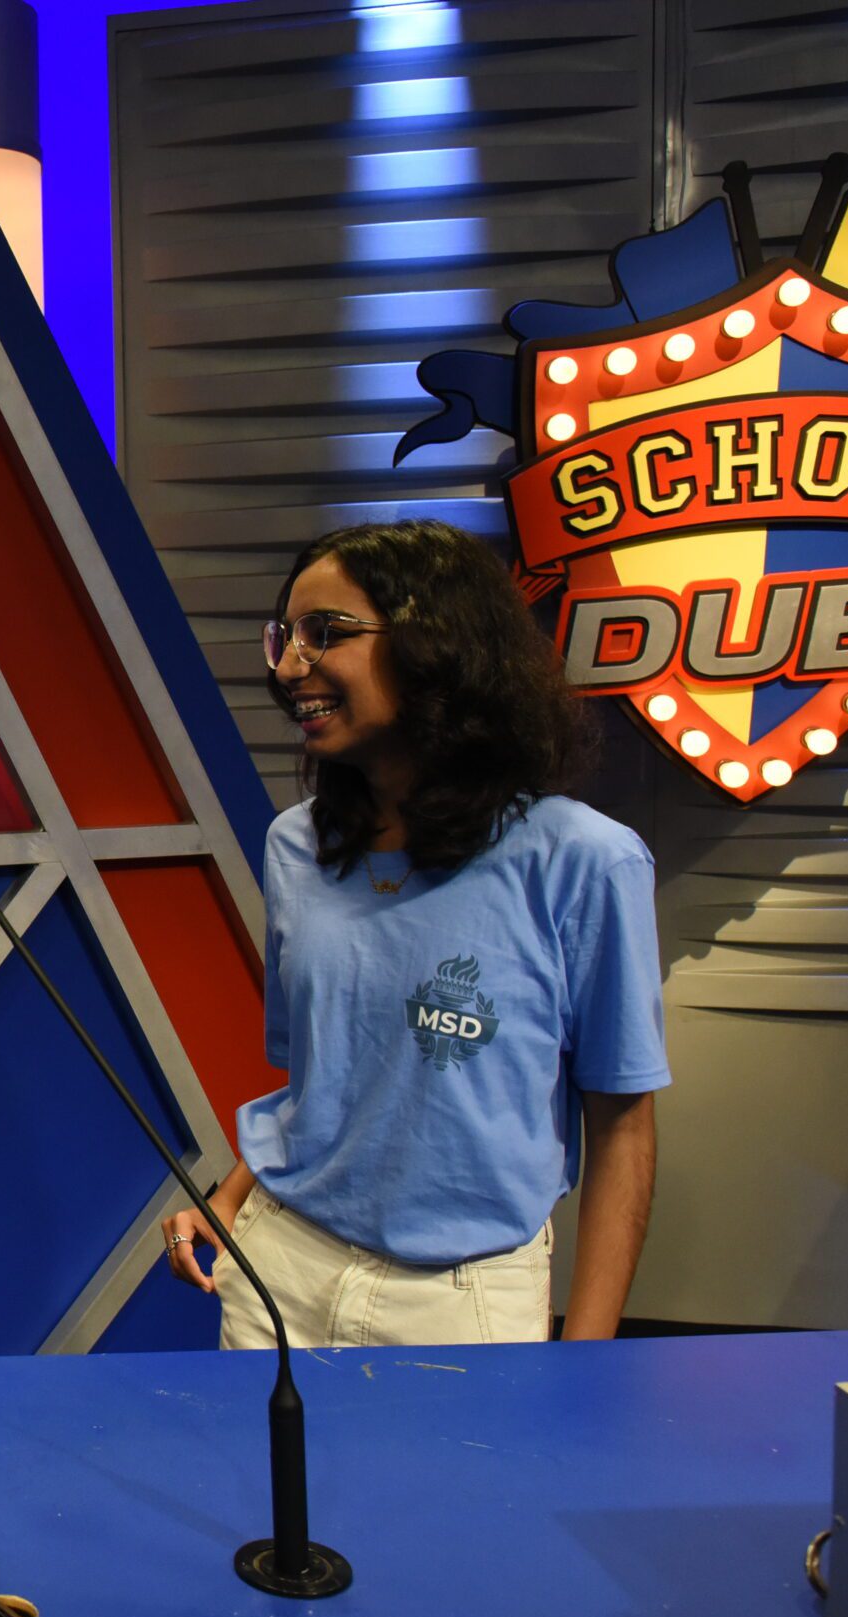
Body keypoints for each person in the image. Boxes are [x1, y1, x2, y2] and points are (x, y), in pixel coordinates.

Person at [163, 520, 665, 1347]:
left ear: (436, 645)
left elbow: (622, 1127)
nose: (289, 668)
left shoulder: (586, 860)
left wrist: (585, 1362)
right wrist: (232, 1196)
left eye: (324, 633)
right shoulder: (295, 845)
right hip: (277, 1273)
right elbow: (323, 1086)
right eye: (285, 637)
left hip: (461, 1303)